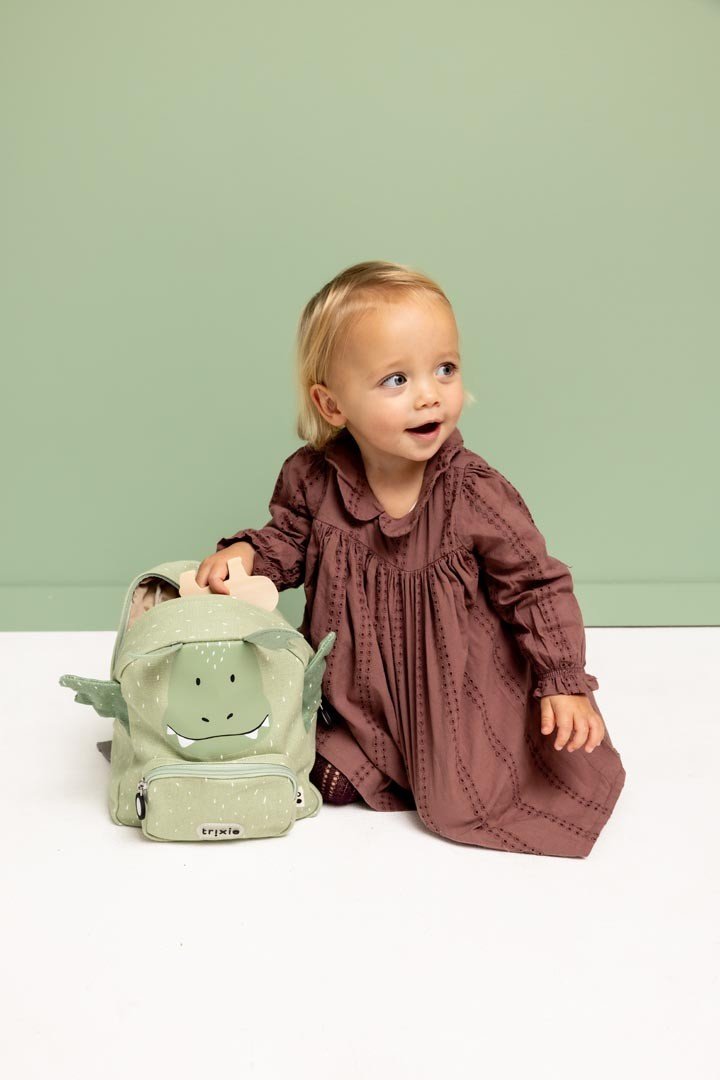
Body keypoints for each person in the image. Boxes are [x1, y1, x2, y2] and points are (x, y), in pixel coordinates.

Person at [195, 260, 626, 858]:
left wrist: (563, 680)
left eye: (444, 369)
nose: (429, 394)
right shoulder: (315, 479)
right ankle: (364, 756)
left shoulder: (473, 493)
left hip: (454, 686)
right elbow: (287, 541)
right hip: (360, 686)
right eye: (395, 379)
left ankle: (436, 762)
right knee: (290, 741)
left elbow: (535, 585)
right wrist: (246, 553)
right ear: (332, 404)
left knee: (465, 790)